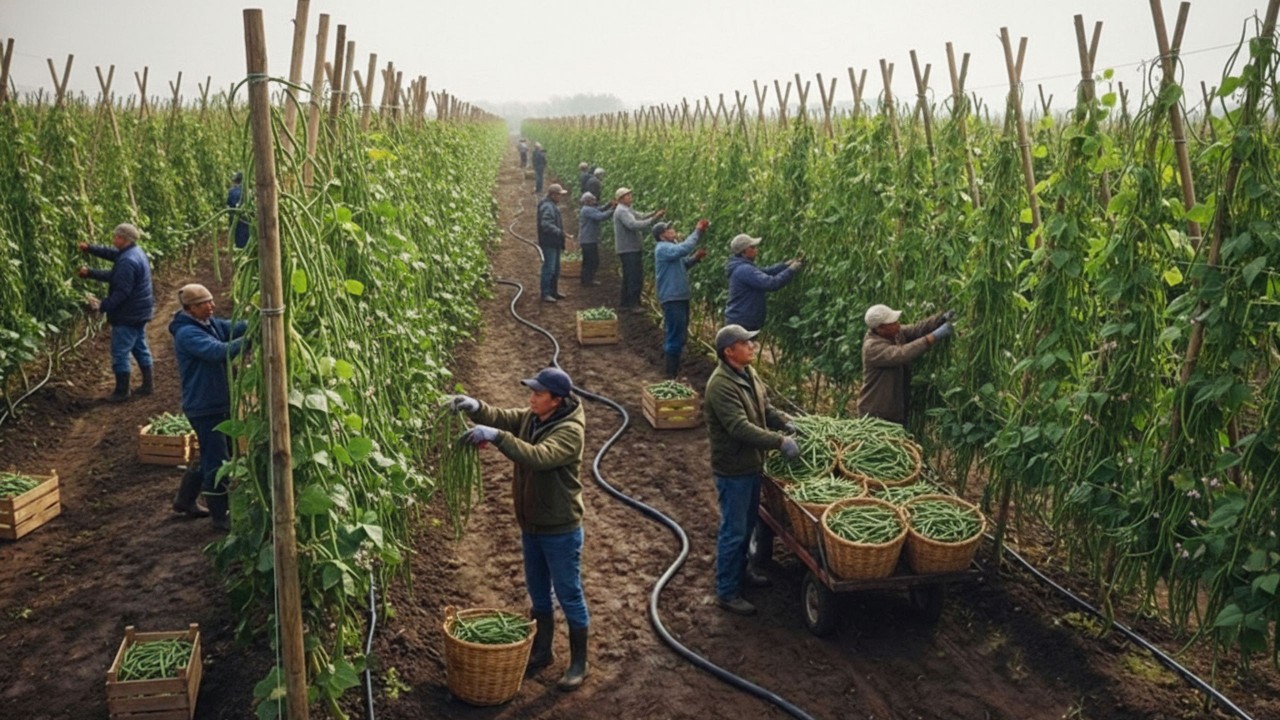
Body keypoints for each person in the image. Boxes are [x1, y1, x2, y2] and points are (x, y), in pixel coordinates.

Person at [445, 367, 590, 691]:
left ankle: (580, 661)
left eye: (538, 394)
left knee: (568, 593)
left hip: (560, 528)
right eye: (532, 392)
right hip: (532, 524)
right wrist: (476, 407)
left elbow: (539, 456)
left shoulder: (569, 431)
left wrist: (497, 437)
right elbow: (505, 416)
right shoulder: (533, 417)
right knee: (538, 591)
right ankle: (543, 651)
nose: (531, 398)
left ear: (556, 400)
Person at [704, 325, 799, 616]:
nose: (753, 346)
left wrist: (785, 423)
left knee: (746, 526)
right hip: (734, 468)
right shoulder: (720, 385)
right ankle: (727, 592)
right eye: (746, 343)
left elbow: (764, 408)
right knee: (733, 531)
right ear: (729, 351)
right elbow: (739, 428)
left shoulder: (749, 373)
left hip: (751, 464)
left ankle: (742, 573)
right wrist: (779, 441)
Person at [169, 283, 248, 531]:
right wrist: (252, 338)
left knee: (212, 454)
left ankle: (184, 500)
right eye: (205, 304)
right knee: (218, 461)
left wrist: (259, 319)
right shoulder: (187, 334)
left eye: (211, 301)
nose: (212, 307)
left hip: (215, 402)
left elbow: (233, 327)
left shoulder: (209, 323)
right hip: (205, 406)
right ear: (191, 308)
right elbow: (218, 352)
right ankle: (220, 516)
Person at [77, 223, 156, 402]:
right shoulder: (134, 252)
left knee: (120, 352)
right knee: (140, 346)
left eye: (115, 237)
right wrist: (90, 250)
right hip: (140, 311)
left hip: (129, 314)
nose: (113, 240)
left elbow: (121, 291)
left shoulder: (128, 261)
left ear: (123, 239)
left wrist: (102, 305)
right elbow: (113, 259)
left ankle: (122, 392)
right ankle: (148, 385)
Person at [858, 304, 954, 425]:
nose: (898, 324)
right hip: (876, 413)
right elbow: (901, 354)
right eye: (893, 323)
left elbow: (917, 329)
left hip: (894, 409)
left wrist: (941, 318)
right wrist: (932, 337)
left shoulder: (893, 333)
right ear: (880, 328)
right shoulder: (872, 347)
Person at [653, 219, 709, 378]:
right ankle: (670, 375)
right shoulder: (663, 248)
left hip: (679, 296)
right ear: (662, 235)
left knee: (680, 333)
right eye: (669, 229)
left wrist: (696, 258)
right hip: (672, 297)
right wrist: (697, 231)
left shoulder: (670, 249)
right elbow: (683, 249)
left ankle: (674, 371)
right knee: (675, 334)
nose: (673, 230)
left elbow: (683, 264)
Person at [723, 233, 802, 332]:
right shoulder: (744, 269)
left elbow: (765, 272)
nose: (756, 250)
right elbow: (771, 283)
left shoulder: (742, 267)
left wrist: (785, 265)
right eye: (752, 247)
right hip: (742, 324)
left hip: (740, 320)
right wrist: (791, 270)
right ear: (744, 251)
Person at [611, 187, 665, 312]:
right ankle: (633, 304)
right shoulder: (622, 211)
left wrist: (653, 213)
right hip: (629, 249)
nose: (631, 197)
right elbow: (633, 225)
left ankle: (625, 303)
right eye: (628, 196)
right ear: (621, 199)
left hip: (629, 248)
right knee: (634, 277)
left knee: (628, 276)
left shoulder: (627, 209)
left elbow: (639, 216)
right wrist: (653, 220)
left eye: (630, 195)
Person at [537, 184, 572, 303]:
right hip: (549, 242)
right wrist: (560, 232)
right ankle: (545, 293)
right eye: (559, 195)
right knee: (549, 268)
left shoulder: (551, 205)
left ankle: (553, 291)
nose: (561, 197)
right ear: (552, 195)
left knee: (556, 268)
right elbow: (545, 224)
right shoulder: (548, 207)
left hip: (554, 241)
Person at [577, 192, 615, 286]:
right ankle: (588, 280)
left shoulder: (588, 209)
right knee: (593, 260)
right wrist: (613, 209)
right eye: (593, 200)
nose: (595, 201)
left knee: (588, 261)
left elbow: (599, 210)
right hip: (588, 240)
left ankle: (586, 280)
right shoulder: (587, 210)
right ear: (588, 201)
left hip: (587, 239)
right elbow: (601, 216)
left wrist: (609, 205)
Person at [227, 171, 251, 250]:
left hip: (234, 218)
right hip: (245, 219)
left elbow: (228, 205)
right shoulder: (247, 192)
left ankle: (237, 251)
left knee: (237, 238)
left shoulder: (231, 191)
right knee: (244, 238)